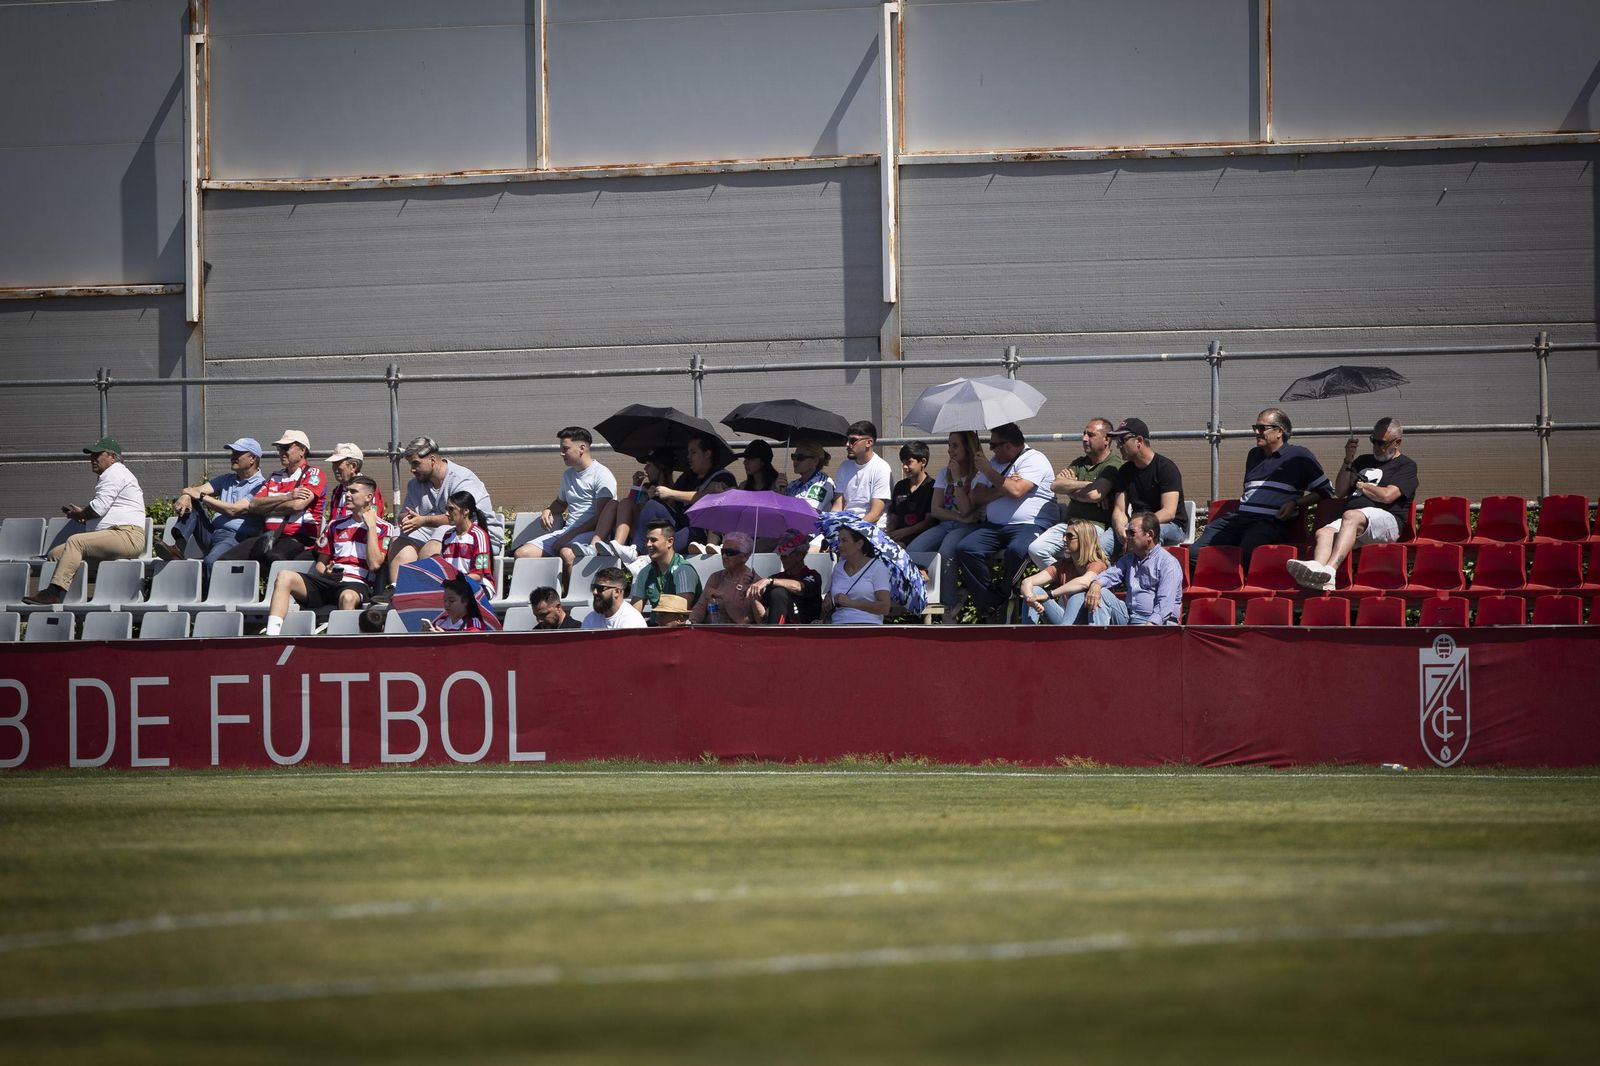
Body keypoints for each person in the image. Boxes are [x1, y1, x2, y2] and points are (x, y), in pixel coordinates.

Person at [1287, 417, 1419, 590]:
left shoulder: (1406, 466)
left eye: (1382, 443)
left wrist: (1361, 485)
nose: (1376, 447)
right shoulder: (1363, 461)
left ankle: (1331, 569)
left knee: (1351, 516)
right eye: (1373, 440)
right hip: (1355, 522)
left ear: (1398, 442)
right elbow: (1340, 491)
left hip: (1387, 521)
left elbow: (1387, 496)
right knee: (1324, 532)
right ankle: (1319, 572)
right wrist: (1348, 459)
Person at [1192, 407, 1334, 567]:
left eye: (1262, 428)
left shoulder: (1299, 456)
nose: (1257, 432)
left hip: (1270, 522)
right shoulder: (1254, 455)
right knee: (1195, 553)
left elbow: (1326, 490)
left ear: (1279, 431)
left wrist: (1295, 503)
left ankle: (1233, 584)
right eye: (1255, 428)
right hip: (1240, 519)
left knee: (1245, 554)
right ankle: (1214, 582)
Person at [950, 422, 1056, 622]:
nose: (990, 449)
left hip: (1030, 524)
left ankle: (1004, 592)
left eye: (993, 445)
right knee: (965, 548)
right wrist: (1003, 487)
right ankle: (991, 602)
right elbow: (977, 496)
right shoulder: (995, 462)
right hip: (995, 526)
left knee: (1017, 551)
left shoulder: (1034, 459)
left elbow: (1017, 491)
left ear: (1007, 445)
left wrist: (992, 475)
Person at [24, 436, 147, 605]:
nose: (92, 458)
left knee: (75, 541)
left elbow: (98, 508)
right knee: (55, 554)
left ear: (112, 456)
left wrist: (80, 514)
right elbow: (103, 511)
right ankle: (71, 600)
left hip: (128, 536)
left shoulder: (115, 471)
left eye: (97, 454)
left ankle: (53, 593)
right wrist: (82, 515)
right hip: (114, 535)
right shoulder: (112, 474)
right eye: (91, 455)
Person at [263, 476, 392, 635]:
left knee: (348, 598)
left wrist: (371, 527)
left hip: (357, 585)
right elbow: (320, 565)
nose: (348, 495)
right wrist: (327, 573)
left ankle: (344, 644)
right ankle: (272, 636)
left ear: (369, 497)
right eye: (347, 491)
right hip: (330, 583)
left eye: (353, 491)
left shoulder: (384, 528)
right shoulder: (334, 525)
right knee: (284, 576)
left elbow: (375, 565)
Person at [385, 436, 503, 588]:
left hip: (474, 533)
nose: (412, 469)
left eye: (416, 463)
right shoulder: (415, 484)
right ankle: (398, 589)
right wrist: (408, 519)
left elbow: (459, 518)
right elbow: (405, 514)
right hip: (435, 531)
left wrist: (423, 520)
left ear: (432, 460)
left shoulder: (462, 480)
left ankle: (428, 592)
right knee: (400, 534)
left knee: (442, 532)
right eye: (410, 464)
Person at [1053, 512, 1183, 626]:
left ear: (1149, 535)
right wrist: (1096, 584)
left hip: (1159, 623)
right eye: (1127, 532)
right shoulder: (1129, 559)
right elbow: (1109, 575)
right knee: (1101, 592)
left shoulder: (1168, 563)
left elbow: (1165, 605)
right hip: (1130, 617)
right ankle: (1096, 642)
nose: (1127, 537)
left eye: (1131, 533)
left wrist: (1149, 627)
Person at [908, 431, 986, 618]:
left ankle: (949, 603)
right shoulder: (945, 473)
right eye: (949, 445)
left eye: (955, 445)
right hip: (949, 524)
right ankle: (921, 597)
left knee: (947, 551)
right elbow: (936, 509)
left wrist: (958, 479)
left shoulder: (981, 474)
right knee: (913, 550)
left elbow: (967, 509)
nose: (950, 450)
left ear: (968, 447)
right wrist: (959, 517)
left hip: (971, 527)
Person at [1027, 419, 1124, 568]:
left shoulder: (1113, 464)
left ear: (1107, 439)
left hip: (1093, 526)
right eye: (1084, 434)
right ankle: (1064, 580)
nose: (1084, 439)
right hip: (1069, 523)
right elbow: (1055, 485)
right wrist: (1087, 485)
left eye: (1090, 435)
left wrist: (1071, 490)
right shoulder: (1079, 462)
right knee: (1036, 549)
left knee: (1084, 556)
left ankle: (1073, 582)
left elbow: (1095, 495)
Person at [220, 429, 328, 564]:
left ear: (302, 450)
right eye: (279, 448)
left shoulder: (314, 473)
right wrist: (287, 497)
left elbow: (297, 506)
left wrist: (267, 508)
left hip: (299, 538)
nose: (281, 452)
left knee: (273, 557)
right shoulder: (274, 476)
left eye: (286, 447)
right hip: (269, 536)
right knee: (225, 560)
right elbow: (253, 505)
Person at [516, 427, 618, 565]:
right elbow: (561, 503)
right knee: (521, 554)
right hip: (568, 532)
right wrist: (549, 510)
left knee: (567, 553)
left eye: (565, 449)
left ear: (582, 448)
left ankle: (571, 587)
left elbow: (601, 517)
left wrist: (571, 535)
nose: (561, 453)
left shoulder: (602, 474)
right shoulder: (568, 474)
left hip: (595, 535)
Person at [168, 436, 266, 576]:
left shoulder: (261, 486)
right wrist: (186, 495)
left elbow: (233, 510)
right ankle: (178, 548)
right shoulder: (226, 479)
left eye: (238, 453)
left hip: (236, 538)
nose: (233, 457)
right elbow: (194, 491)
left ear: (252, 459)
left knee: (211, 562)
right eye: (233, 453)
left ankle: (208, 596)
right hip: (214, 533)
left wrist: (201, 496)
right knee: (193, 503)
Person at [1099, 418, 1185, 557]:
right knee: (1101, 544)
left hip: (1170, 525)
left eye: (1122, 440)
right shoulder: (1124, 471)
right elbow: (1120, 509)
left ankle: (1146, 577)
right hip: (1136, 526)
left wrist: (1138, 526)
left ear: (1139, 441)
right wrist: (1120, 528)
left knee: (1145, 538)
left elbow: (1169, 512)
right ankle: (1110, 577)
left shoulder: (1165, 468)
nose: (1118, 446)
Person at [650, 433, 737, 554]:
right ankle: (636, 550)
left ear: (707, 454)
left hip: (700, 530)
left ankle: (649, 557)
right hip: (681, 522)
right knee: (652, 505)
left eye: (693, 452)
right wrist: (656, 493)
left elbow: (706, 498)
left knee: (686, 534)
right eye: (688, 453)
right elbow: (672, 503)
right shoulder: (687, 477)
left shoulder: (723, 476)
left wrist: (670, 493)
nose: (688, 457)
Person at [1019, 520, 1110, 625]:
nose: (1063, 539)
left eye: (1069, 536)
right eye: (1064, 535)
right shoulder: (1063, 565)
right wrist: (1032, 600)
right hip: (1067, 622)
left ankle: (1065, 637)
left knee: (1078, 596)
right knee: (1035, 590)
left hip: (1092, 623)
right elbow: (1027, 582)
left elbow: (1084, 582)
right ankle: (1027, 637)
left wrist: (1049, 595)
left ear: (1084, 540)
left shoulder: (1098, 564)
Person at [592, 446, 678, 558]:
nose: (645, 469)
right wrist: (635, 487)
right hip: (638, 532)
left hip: (656, 533)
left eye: (649, 465)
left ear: (660, 467)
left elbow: (671, 514)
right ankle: (612, 545)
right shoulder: (646, 487)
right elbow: (628, 507)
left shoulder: (673, 490)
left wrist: (656, 498)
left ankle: (618, 545)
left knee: (628, 503)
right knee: (619, 503)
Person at [629, 519, 703, 621]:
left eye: (653, 540)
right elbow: (634, 614)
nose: (648, 544)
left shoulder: (683, 570)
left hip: (681, 630)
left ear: (670, 542)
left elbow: (680, 615)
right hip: (656, 628)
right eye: (647, 540)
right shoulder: (645, 573)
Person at [750, 528, 824, 624]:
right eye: (780, 554)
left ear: (800, 555)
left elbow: (799, 587)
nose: (781, 558)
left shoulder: (813, 575)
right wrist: (754, 595)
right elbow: (763, 618)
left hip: (805, 629)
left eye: (785, 555)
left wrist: (770, 581)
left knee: (778, 592)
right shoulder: (775, 577)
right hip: (777, 626)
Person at [430, 490, 496, 594]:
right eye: (446, 509)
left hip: (479, 585)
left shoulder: (479, 535)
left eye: (451, 509)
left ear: (466, 511)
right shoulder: (447, 535)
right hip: (454, 586)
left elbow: (478, 574)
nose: (447, 513)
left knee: (459, 599)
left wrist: (456, 584)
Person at [826, 526, 892, 625]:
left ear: (859, 544)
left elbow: (884, 607)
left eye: (844, 541)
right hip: (838, 625)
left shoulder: (877, 567)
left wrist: (851, 603)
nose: (839, 545)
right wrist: (829, 599)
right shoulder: (838, 568)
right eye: (839, 540)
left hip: (867, 626)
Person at [688, 531, 759, 624]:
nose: (724, 556)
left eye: (730, 553)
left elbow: (744, 621)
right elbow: (701, 605)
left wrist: (724, 597)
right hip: (711, 631)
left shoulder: (754, 582)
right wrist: (691, 621)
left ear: (744, 557)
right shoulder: (716, 577)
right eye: (723, 552)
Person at [832, 420, 893, 527]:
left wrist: (851, 529)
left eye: (852, 440)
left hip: (871, 527)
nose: (847, 445)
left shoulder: (881, 468)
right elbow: (838, 505)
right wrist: (831, 524)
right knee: (816, 542)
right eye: (846, 440)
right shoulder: (844, 466)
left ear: (869, 442)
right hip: (845, 525)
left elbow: (875, 514)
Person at [323, 443, 387, 526]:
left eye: (338, 463)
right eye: (333, 464)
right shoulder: (337, 490)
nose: (335, 468)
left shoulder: (368, 488)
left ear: (353, 466)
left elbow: (375, 522)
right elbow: (333, 520)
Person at [887, 441, 937, 546]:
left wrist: (905, 532)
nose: (905, 467)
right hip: (898, 535)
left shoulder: (933, 487)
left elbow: (928, 521)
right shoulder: (900, 486)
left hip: (921, 536)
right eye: (903, 463)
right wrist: (888, 533)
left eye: (909, 462)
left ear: (923, 462)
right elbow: (894, 517)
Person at [775, 439, 836, 514]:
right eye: (794, 456)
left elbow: (809, 513)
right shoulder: (792, 484)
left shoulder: (823, 483)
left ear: (815, 461)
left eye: (800, 458)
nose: (795, 461)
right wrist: (779, 493)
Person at [582, 566, 647, 630]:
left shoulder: (632, 622)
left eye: (600, 588)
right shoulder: (590, 619)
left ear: (617, 592)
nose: (594, 592)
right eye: (593, 587)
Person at [421, 575, 491, 632]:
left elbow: (472, 644)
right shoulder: (440, 622)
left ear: (465, 601)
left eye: (451, 601)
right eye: (445, 600)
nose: (447, 605)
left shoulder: (473, 623)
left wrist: (444, 638)